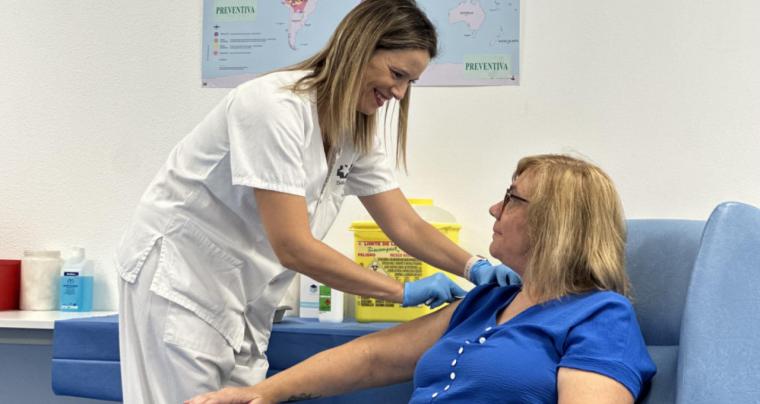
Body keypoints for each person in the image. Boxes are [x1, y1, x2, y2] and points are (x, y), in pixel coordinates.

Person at [114, 1, 516, 402]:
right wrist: (400, 291)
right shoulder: (273, 107)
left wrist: (473, 265)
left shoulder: (355, 127)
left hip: (245, 293)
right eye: (396, 75)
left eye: (410, 82)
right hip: (183, 279)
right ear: (358, 48)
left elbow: (404, 223)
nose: (398, 93)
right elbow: (293, 246)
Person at [186, 154, 657, 404]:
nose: (495, 208)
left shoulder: (600, 316)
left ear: (555, 223)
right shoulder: (486, 303)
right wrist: (259, 393)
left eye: (512, 199)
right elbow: (370, 358)